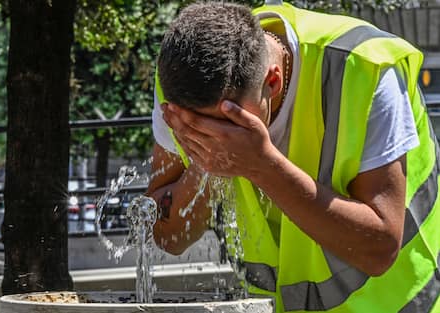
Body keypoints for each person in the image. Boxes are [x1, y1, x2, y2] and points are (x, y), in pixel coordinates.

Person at [146, 1, 440, 312]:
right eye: (197, 129)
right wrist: (205, 165)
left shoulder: (363, 68)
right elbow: (169, 237)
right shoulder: (181, 84)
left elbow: (379, 249)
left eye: (226, 124)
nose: (213, 138)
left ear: (271, 83)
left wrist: (262, 166)